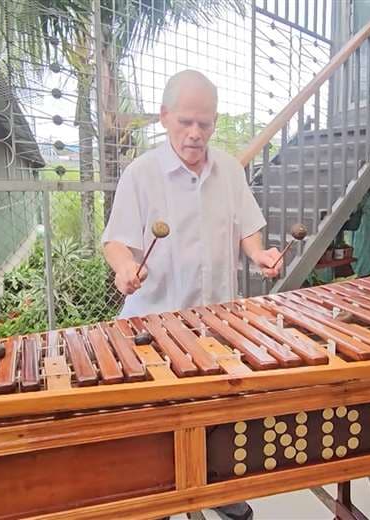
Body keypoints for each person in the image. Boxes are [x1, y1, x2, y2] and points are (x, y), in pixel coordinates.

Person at [101, 70, 282, 520]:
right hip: (153, 326)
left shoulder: (229, 171)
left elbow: (248, 226)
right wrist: (125, 266)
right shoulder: (142, 174)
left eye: (204, 123)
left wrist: (259, 254)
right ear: (165, 118)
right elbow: (115, 240)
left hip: (215, 321)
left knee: (218, 413)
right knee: (158, 424)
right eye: (185, 122)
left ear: (215, 122)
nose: (195, 133)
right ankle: (159, 498)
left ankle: (218, 488)